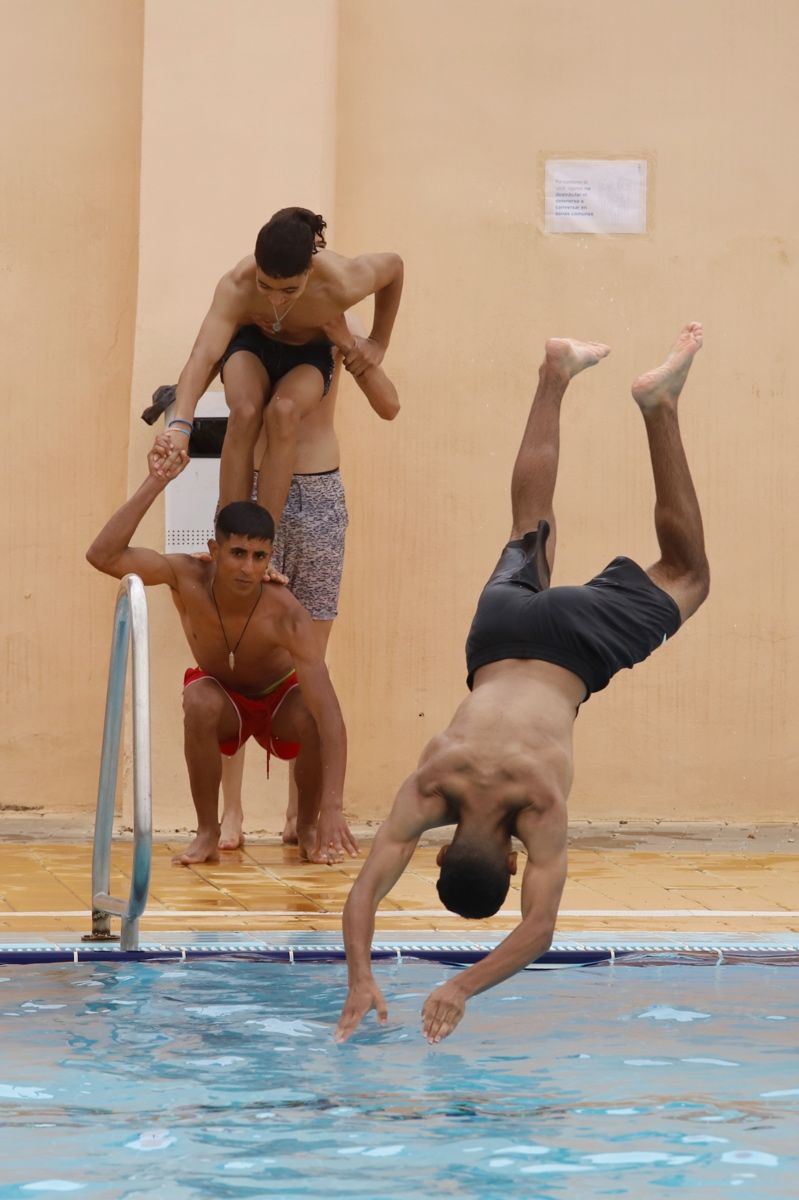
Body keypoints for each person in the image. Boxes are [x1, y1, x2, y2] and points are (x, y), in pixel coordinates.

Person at [335, 324, 709, 1044]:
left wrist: (460, 985)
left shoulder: (538, 808)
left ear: (509, 861)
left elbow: (538, 931)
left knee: (687, 574)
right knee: (527, 523)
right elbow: (363, 895)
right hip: (497, 632)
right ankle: (555, 371)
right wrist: (358, 974)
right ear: (440, 853)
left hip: (573, 652)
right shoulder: (427, 788)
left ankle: (658, 406)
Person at [86, 441, 358, 867]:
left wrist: (333, 809)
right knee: (198, 699)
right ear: (214, 551)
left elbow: (332, 721)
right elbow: (102, 556)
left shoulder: (286, 613)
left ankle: (306, 828)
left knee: (309, 708)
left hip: (277, 700)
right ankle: (208, 831)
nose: (248, 568)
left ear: (270, 557)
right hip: (223, 699)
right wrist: (156, 483)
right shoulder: (186, 575)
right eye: (237, 554)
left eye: (258, 556)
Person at [218, 312, 399, 850]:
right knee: (236, 654)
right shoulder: (243, 322)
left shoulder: (331, 325)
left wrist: (350, 342)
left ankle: (303, 812)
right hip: (249, 497)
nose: (285, 299)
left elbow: (389, 404)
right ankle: (232, 811)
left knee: (309, 662)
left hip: (318, 497)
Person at [153, 206, 403, 527]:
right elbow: (202, 357)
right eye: (265, 286)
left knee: (282, 413)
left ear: (309, 270)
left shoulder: (341, 282)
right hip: (253, 347)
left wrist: (378, 342)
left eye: (289, 290)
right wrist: (180, 427)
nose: (275, 300)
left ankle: (263, 540)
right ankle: (230, 534)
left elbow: (394, 267)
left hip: (307, 356)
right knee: (244, 410)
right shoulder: (237, 285)